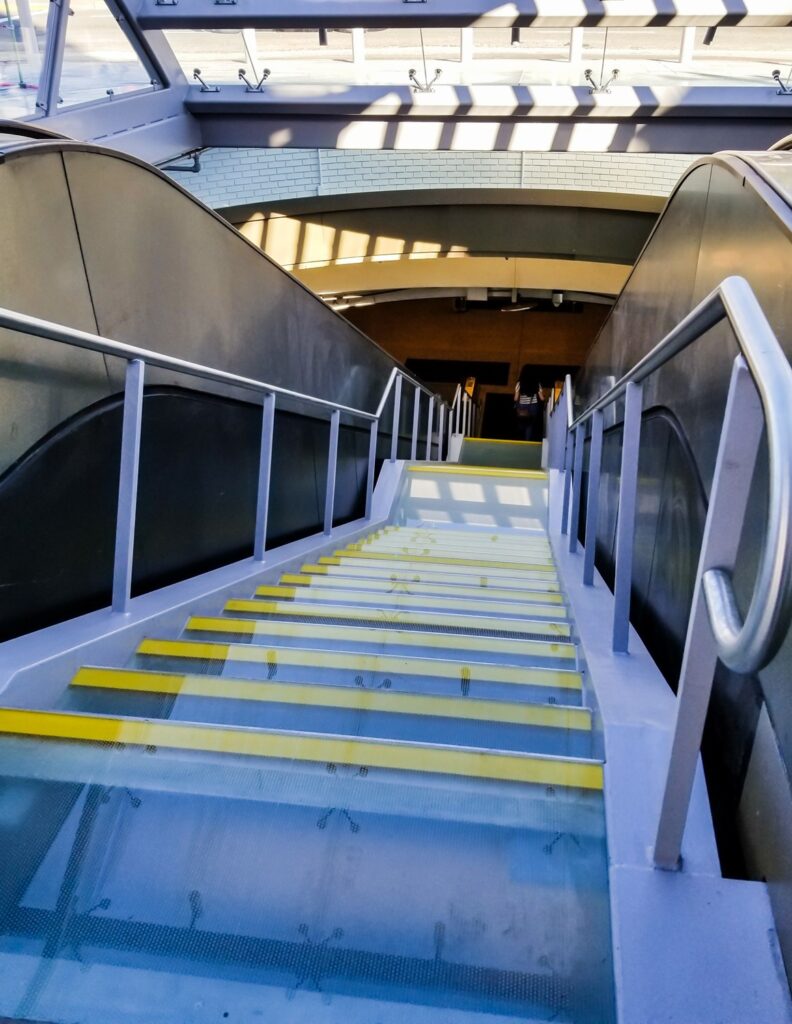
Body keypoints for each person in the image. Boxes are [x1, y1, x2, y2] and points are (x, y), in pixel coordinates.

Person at [514, 372, 549, 442]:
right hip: (533, 406)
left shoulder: (519, 383)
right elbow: (542, 398)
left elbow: (515, 398)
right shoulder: (537, 383)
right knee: (530, 425)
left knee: (521, 422)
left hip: (522, 406)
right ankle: (527, 441)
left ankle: (519, 439)